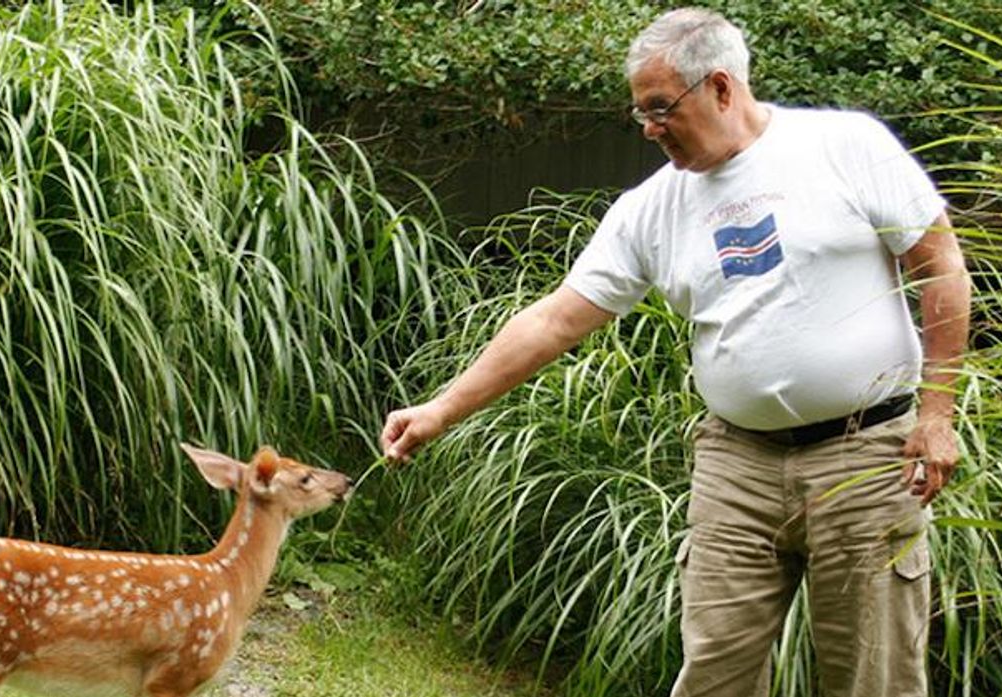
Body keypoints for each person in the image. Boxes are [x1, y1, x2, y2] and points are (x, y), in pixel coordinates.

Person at [379, 7, 971, 697]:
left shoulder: (844, 145)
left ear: (720, 87)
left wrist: (935, 414)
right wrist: (441, 409)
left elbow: (941, 267)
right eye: (639, 114)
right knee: (713, 673)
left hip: (867, 455)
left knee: (872, 676)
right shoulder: (650, 207)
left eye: (660, 108)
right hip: (737, 462)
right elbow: (554, 320)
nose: (649, 128)